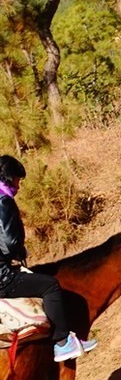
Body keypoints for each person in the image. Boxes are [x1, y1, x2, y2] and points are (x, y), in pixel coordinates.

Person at [0, 155, 96, 362]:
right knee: (50, 285)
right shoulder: (3, 201)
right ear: (8, 178)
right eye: (17, 180)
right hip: (2, 277)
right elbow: (8, 242)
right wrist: (17, 250)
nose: (19, 185)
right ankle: (63, 342)